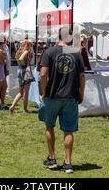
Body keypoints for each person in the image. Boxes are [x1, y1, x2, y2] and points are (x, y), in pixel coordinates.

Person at [39, 27, 85, 174]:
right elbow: (82, 76)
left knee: (49, 127)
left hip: (51, 97)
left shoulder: (49, 51)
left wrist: (42, 92)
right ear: (69, 37)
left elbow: (43, 74)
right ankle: (68, 163)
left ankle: (52, 159)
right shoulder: (75, 53)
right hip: (70, 97)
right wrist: (81, 93)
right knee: (68, 131)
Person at [10, 40, 34, 113]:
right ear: (28, 45)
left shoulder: (19, 52)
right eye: (31, 45)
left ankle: (12, 106)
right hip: (26, 71)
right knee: (26, 92)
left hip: (20, 70)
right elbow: (21, 59)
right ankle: (25, 109)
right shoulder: (26, 51)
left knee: (21, 92)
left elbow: (18, 59)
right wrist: (25, 64)